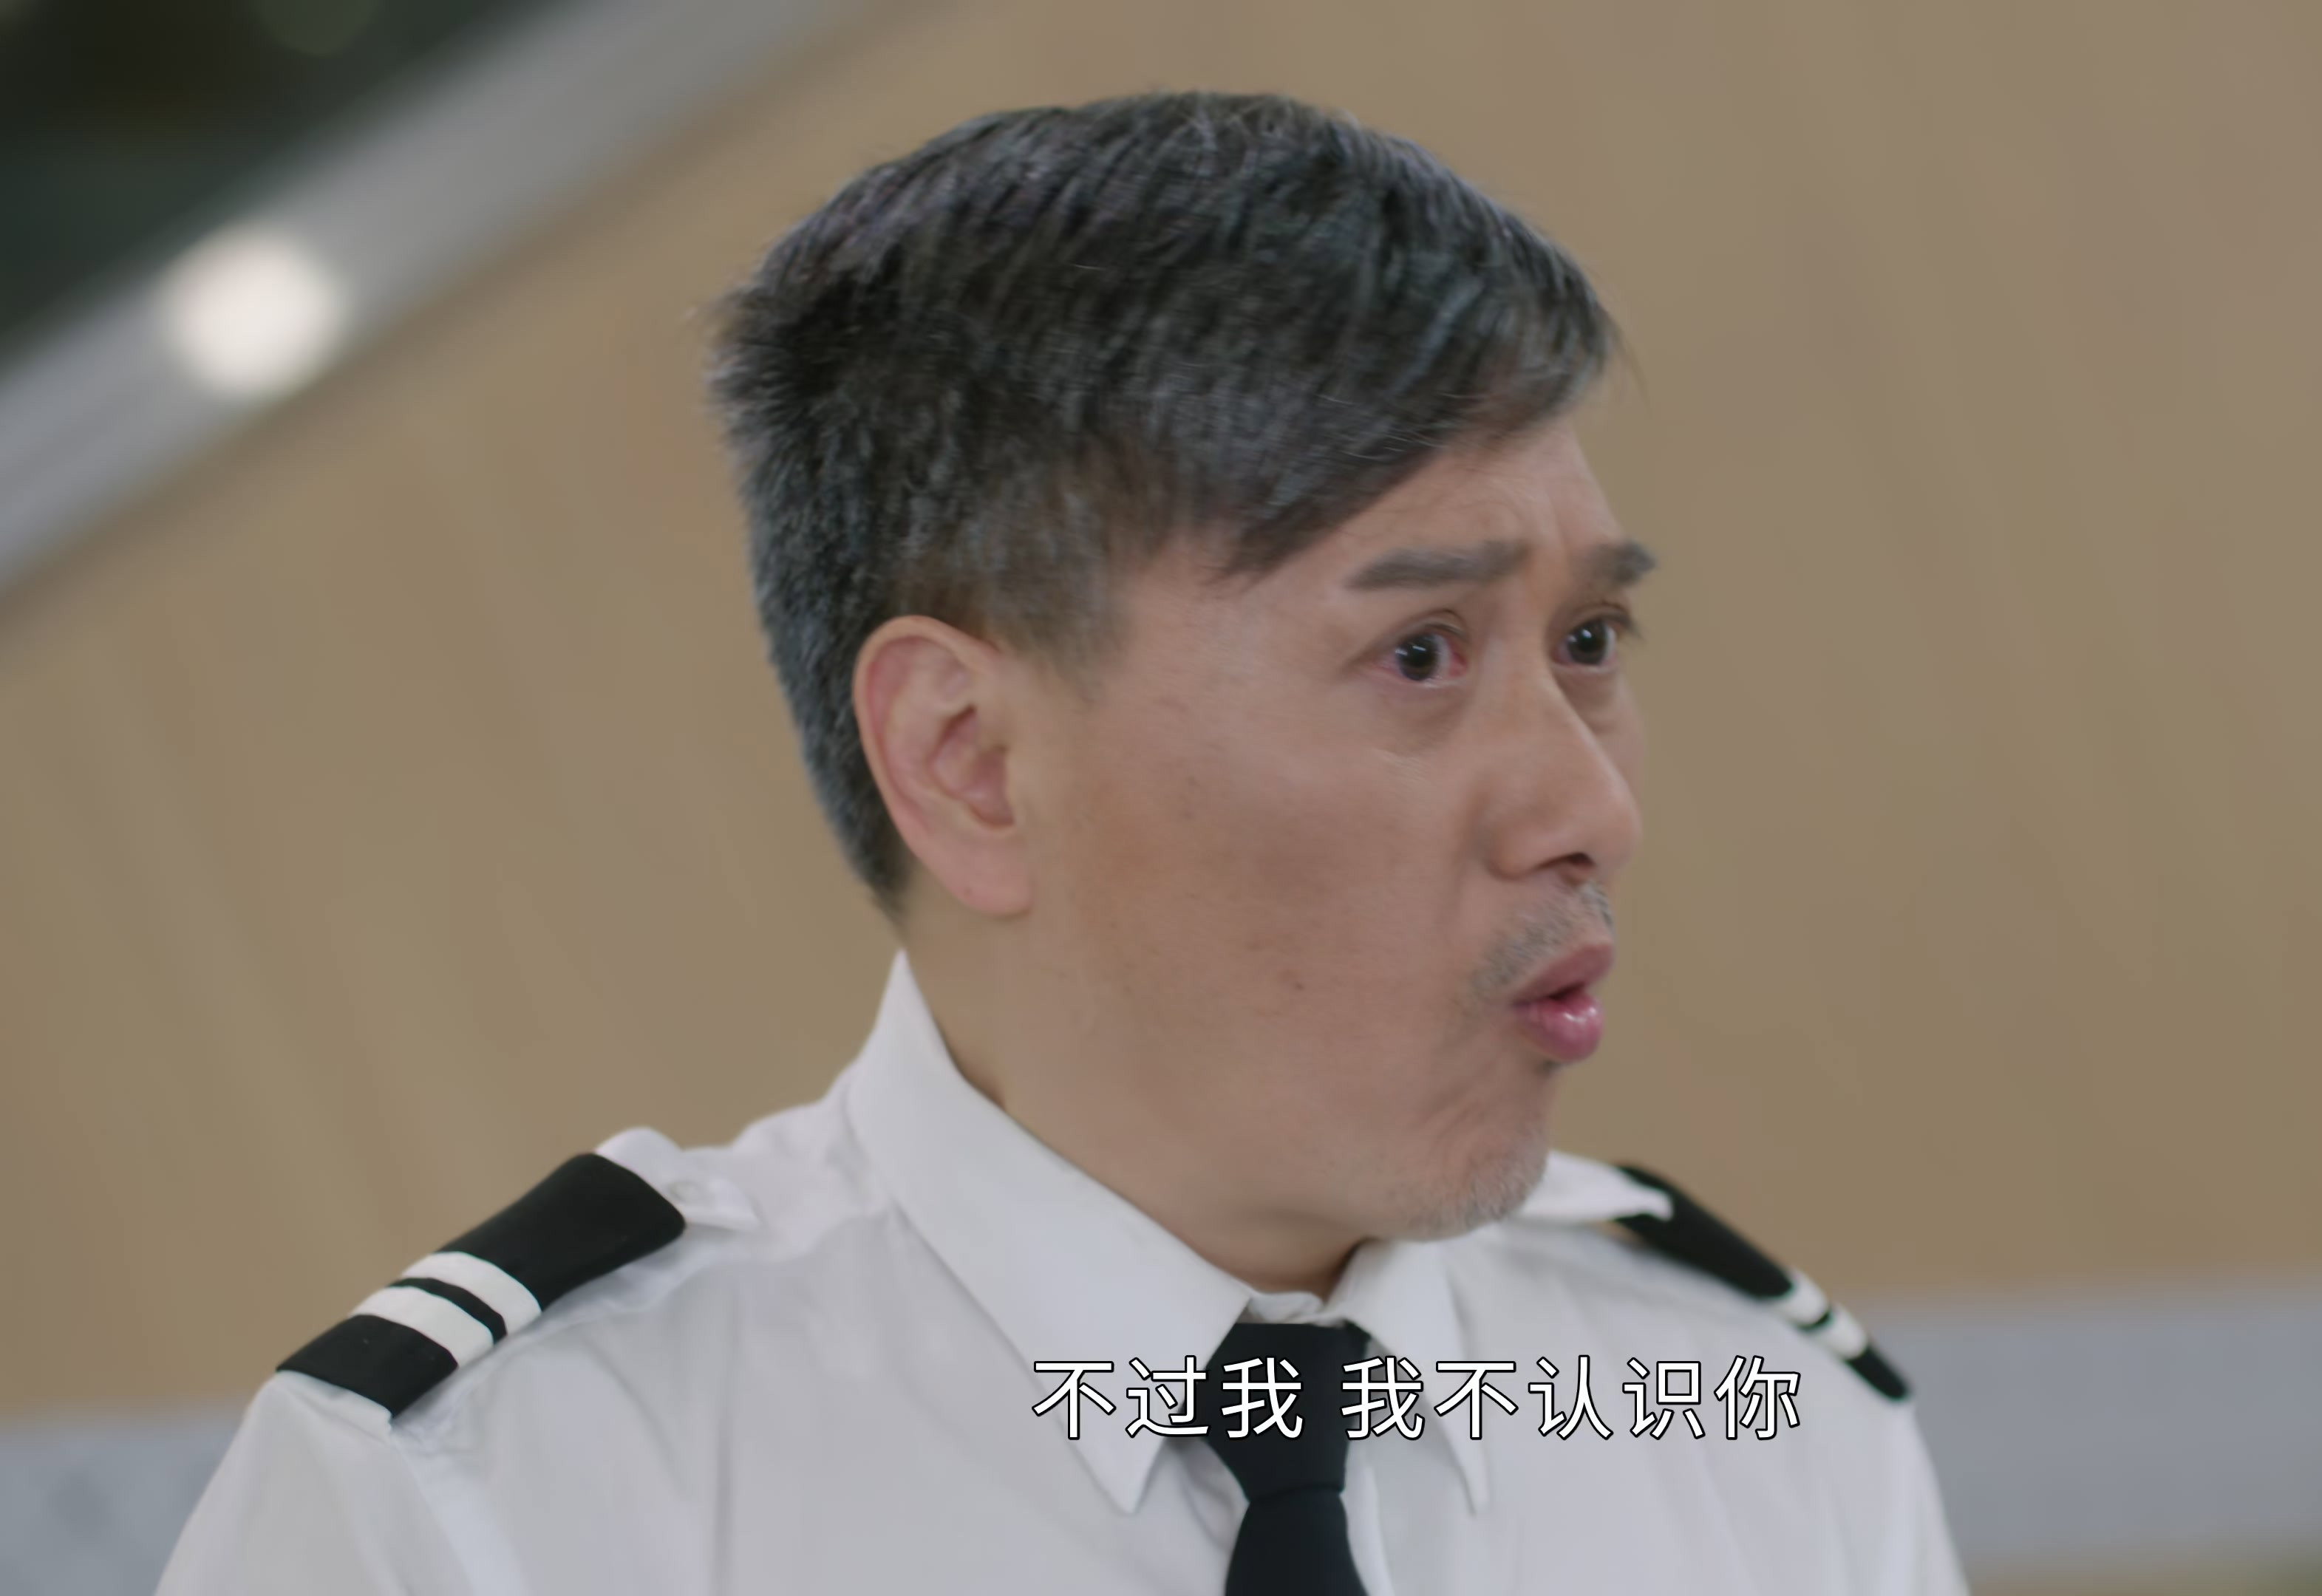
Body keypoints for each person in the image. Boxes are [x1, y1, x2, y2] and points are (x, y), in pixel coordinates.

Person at [157, 90, 1967, 1595]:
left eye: (1588, 640)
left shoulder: (1748, 1415)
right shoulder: (490, 1510)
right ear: (968, 763)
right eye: (1420, 654)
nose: (1592, 808)